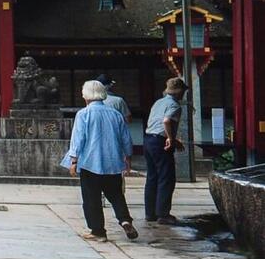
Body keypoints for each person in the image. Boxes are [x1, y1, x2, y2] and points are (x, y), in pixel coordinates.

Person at [63, 80, 137, 242]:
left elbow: (78, 139)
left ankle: (98, 231)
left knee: (91, 198)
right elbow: (126, 139)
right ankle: (125, 220)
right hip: (112, 162)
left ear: (86, 96)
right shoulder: (116, 114)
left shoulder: (83, 114)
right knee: (116, 194)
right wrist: (128, 159)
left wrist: (73, 161)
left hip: (90, 163)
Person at [142, 77, 187, 225]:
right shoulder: (174, 105)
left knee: (152, 177)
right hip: (160, 142)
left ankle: (150, 213)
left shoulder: (158, 102)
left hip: (148, 139)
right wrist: (170, 138)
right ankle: (163, 214)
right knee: (166, 177)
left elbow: (154, 122)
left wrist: (172, 138)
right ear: (179, 92)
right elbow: (166, 121)